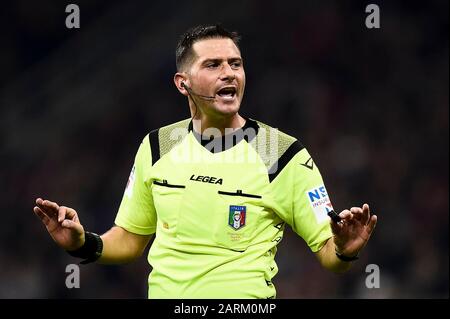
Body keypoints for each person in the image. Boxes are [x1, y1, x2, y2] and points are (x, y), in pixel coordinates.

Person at [33, 24, 377, 299]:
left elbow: (329, 253)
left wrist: (345, 250)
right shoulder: (158, 145)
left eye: (236, 64)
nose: (229, 73)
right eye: (213, 65)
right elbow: (130, 240)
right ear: (183, 83)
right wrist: (83, 243)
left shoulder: (280, 152)